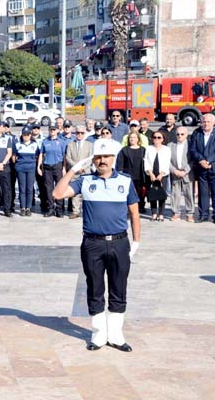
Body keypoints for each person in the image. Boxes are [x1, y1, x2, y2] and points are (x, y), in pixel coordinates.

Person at [53, 138, 140, 353]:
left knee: (119, 287)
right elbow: (57, 194)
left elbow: (134, 213)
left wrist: (136, 241)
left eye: (106, 157)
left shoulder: (125, 181)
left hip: (119, 242)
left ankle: (116, 334)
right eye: (98, 157)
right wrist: (73, 170)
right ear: (93, 160)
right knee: (95, 287)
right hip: (93, 243)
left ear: (113, 158)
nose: (102, 161)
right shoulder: (85, 181)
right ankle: (99, 334)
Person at [189, 114, 215, 224]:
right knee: (203, 193)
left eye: (208, 122)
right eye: (204, 122)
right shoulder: (196, 133)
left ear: (213, 123)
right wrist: (201, 160)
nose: (206, 124)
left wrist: (208, 161)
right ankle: (203, 215)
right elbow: (193, 149)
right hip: (201, 168)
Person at [64, 125, 93, 219]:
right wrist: (76, 167)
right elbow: (68, 158)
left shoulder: (90, 145)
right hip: (74, 172)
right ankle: (75, 211)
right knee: (75, 192)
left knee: (86, 193)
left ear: (85, 133)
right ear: (75, 133)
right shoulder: (70, 144)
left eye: (82, 133)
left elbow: (91, 158)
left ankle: (87, 211)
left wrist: (83, 167)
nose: (80, 134)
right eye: (78, 133)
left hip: (86, 172)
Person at [38, 125, 66, 218]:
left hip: (57, 166)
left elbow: (64, 156)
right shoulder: (45, 141)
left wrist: (64, 168)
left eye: (54, 129)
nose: (52, 131)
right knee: (48, 188)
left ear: (57, 130)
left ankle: (59, 209)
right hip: (47, 167)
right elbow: (41, 154)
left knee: (59, 187)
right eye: (51, 130)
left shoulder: (61, 142)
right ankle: (50, 208)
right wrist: (39, 166)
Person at [116, 132, 147, 214]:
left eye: (134, 137)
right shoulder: (124, 150)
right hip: (128, 175)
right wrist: (120, 172)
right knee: (129, 193)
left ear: (138, 139)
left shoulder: (143, 150)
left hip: (140, 175)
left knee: (141, 192)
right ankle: (128, 208)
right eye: (131, 137)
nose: (132, 139)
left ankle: (141, 206)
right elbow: (120, 162)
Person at [169, 127, 195, 222]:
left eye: (182, 134)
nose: (180, 136)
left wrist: (185, 171)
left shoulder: (191, 145)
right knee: (175, 194)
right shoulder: (170, 145)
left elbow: (193, 160)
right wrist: (174, 170)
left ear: (186, 135)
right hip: (175, 173)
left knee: (189, 194)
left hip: (187, 173)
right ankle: (175, 213)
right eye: (178, 134)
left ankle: (190, 214)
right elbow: (167, 160)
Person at [144, 131, 171, 221]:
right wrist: (150, 173)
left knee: (161, 194)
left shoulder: (166, 149)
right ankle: (154, 213)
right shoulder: (149, 148)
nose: (156, 139)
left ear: (163, 139)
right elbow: (146, 161)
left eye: (159, 137)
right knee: (153, 194)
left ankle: (161, 214)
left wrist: (161, 174)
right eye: (155, 137)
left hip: (162, 174)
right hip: (151, 174)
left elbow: (167, 162)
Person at [12, 126, 39, 216]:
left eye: (28, 134)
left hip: (31, 168)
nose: (26, 136)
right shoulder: (18, 145)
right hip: (21, 169)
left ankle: (28, 208)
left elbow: (37, 156)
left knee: (30, 188)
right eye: (24, 134)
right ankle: (23, 207)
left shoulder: (34, 145)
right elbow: (13, 157)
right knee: (22, 188)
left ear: (30, 135)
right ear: (22, 135)